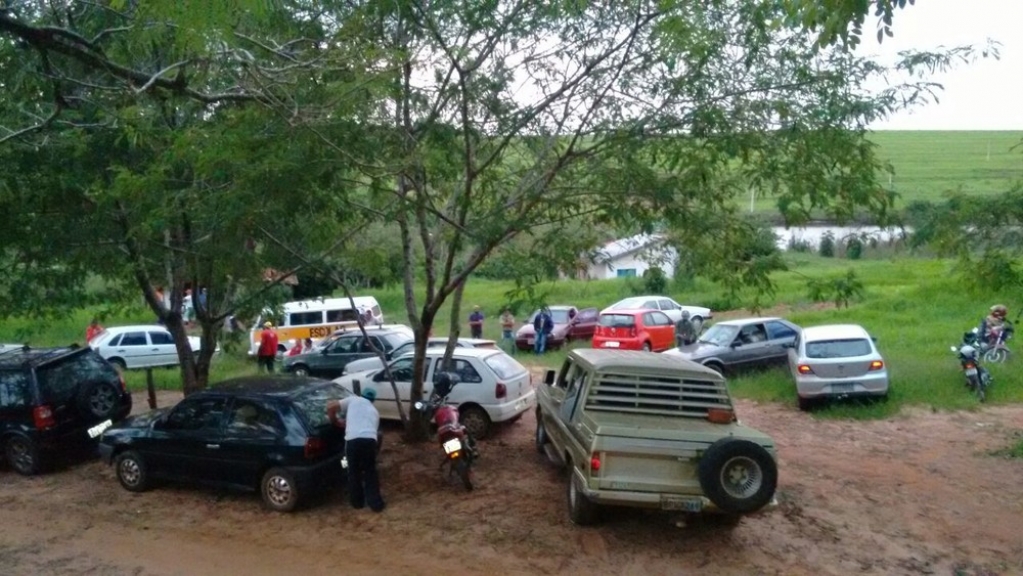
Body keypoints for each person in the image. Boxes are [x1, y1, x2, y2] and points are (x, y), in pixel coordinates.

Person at [327, 388, 385, 513]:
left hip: (352, 441)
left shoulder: (353, 400)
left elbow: (330, 407)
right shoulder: (374, 412)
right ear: (373, 400)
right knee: (370, 471)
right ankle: (376, 504)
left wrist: (335, 421)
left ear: (361, 395)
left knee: (353, 471)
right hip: (369, 441)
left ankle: (357, 502)